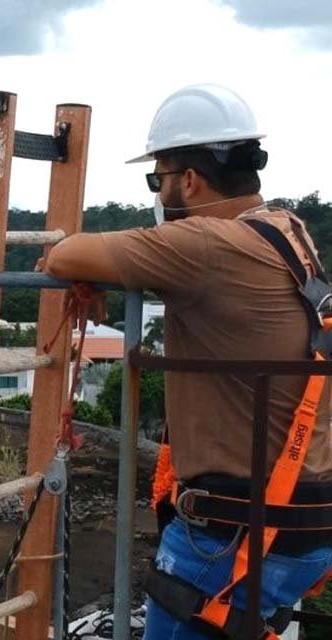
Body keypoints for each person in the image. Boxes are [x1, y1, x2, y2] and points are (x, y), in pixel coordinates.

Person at [44, 84, 332, 639]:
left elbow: (65, 254)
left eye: (159, 178)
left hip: (231, 535)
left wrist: (93, 272)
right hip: (300, 522)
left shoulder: (207, 244)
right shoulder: (287, 231)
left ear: (190, 180)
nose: (159, 191)